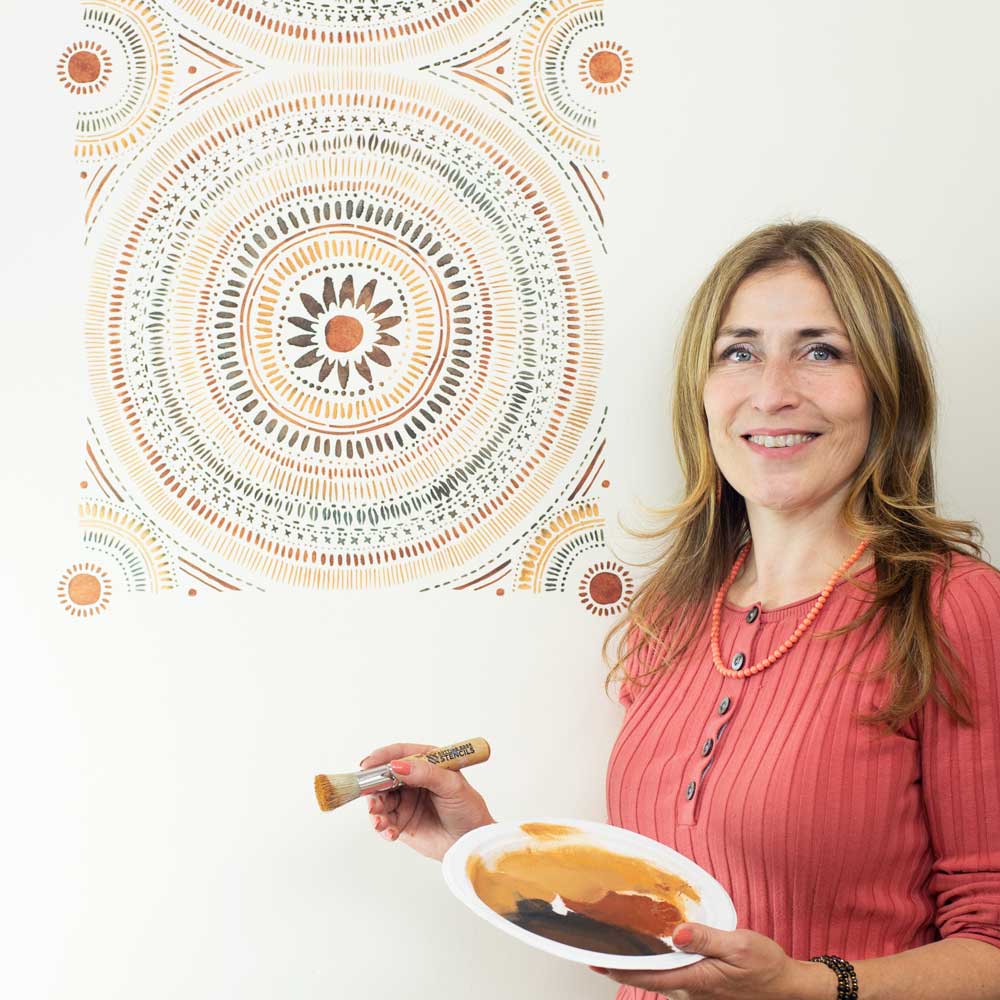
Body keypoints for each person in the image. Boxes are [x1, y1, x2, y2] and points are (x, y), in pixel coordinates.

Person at [360, 220, 1000, 1000]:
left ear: (888, 388)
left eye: (821, 351)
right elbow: (661, 911)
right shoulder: (673, 612)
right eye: (739, 353)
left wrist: (801, 986)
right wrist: (480, 848)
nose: (772, 392)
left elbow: (992, 944)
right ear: (701, 391)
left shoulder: (954, 608)